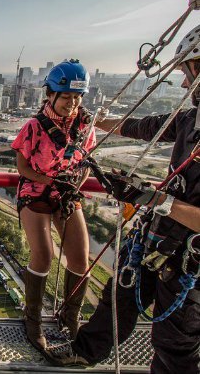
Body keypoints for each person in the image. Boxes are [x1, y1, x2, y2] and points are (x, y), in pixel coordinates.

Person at [50, 25, 200, 373]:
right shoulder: (192, 121)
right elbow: (144, 127)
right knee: (119, 297)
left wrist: (155, 199)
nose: (183, 84)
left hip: (188, 255)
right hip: (164, 238)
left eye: (186, 72)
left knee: (174, 343)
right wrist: (97, 123)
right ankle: (86, 351)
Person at [10, 59, 95, 351]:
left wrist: (74, 187)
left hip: (67, 194)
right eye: (66, 97)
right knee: (44, 255)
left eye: (76, 97)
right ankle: (32, 319)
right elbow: (22, 166)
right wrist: (49, 183)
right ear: (50, 95)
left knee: (81, 259)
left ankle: (69, 319)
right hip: (36, 190)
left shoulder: (85, 127)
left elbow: (85, 163)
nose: (71, 103)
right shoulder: (35, 126)